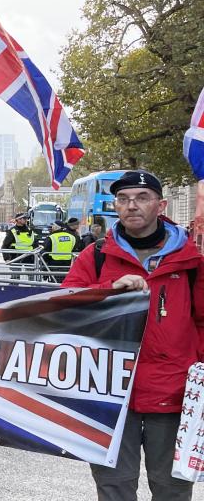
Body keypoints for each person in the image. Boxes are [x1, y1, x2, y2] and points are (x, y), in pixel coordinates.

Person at [61, 170, 200, 501]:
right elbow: (65, 307)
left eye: (141, 198)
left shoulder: (192, 260)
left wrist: (197, 374)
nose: (131, 206)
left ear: (160, 204)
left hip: (173, 394)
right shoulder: (95, 255)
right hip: (110, 393)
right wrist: (109, 290)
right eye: (123, 199)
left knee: (173, 489)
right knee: (114, 488)